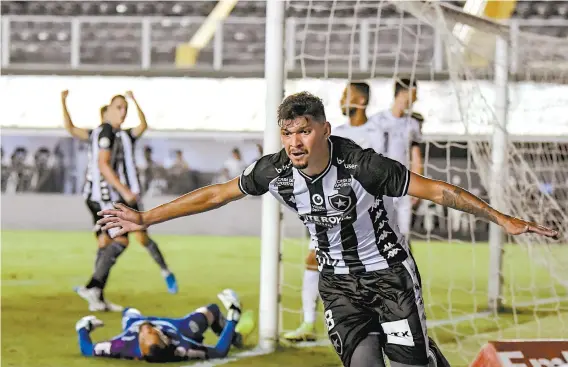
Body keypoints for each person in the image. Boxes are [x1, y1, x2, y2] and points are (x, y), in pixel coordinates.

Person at [96, 92, 557, 367]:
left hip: (389, 277)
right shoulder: (273, 170)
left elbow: (435, 190)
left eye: (304, 131)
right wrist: (145, 217)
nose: (295, 142)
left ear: (324, 130)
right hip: (338, 286)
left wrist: (501, 218)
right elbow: (215, 194)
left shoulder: (362, 164)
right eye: (287, 132)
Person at [285, 79, 424, 341]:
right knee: (313, 260)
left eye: (346, 95)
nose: (340, 101)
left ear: (360, 101)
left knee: (383, 269)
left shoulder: (377, 133)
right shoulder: (334, 132)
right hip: (332, 211)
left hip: (368, 217)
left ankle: (396, 321)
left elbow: (381, 175)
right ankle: (307, 324)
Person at [61, 91, 177, 313]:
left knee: (113, 241)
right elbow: (103, 165)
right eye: (118, 108)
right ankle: (93, 288)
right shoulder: (105, 132)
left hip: (110, 196)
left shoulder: (121, 135)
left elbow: (142, 126)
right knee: (121, 241)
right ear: (106, 112)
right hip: (106, 197)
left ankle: (98, 295)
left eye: (125, 108)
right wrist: (125, 191)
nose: (123, 112)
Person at [75, 289, 255, 362]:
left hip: (132, 323)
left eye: (146, 333)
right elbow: (219, 352)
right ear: (163, 338)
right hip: (180, 329)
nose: (148, 327)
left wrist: (83, 328)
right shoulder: (181, 347)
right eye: (151, 331)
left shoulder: (121, 346)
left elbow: (87, 349)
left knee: (130, 312)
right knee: (211, 311)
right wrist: (233, 316)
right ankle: (237, 338)